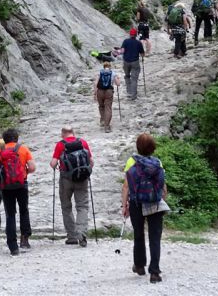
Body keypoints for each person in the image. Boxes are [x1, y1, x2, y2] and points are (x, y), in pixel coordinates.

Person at [121, 133, 167, 284]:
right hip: (154, 202)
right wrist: (162, 201)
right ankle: (154, 272)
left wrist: (124, 205)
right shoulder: (157, 163)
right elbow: (162, 185)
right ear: (153, 147)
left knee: (138, 234)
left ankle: (139, 266)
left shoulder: (131, 161)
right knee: (155, 237)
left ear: (138, 147)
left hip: (136, 203)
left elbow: (126, 185)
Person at [49, 126, 94, 247]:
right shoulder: (82, 142)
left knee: (66, 206)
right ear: (73, 132)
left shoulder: (60, 144)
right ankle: (82, 234)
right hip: (82, 179)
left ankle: (72, 236)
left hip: (66, 179)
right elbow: (91, 161)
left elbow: (53, 163)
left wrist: (55, 164)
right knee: (82, 206)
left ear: (63, 133)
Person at [0, 128, 36, 255]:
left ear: (4, 139)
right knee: (24, 210)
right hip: (21, 184)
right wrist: (24, 172)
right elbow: (33, 167)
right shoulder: (23, 149)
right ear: (17, 138)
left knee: (10, 214)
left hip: (6, 187)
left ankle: (13, 246)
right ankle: (25, 239)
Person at [94, 61, 121, 133]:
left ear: (103, 67)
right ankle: (107, 126)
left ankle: (102, 120)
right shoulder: (113, 73)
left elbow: (96, 83)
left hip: (100, 91)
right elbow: (118, 84)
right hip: (109, 91)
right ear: (110, 67)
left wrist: (94, 93)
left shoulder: (99, 73)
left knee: (101, 106)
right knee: (108, 108)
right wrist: (118, 79)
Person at [120, 27, 145, 100]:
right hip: (135, 62)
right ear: (136, 34)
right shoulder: (138, 43)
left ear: (130, 34)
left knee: (127, 76)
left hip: (126, 62)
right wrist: (143, 58)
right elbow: (142, 54)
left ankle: (129, 92)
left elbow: (122, 51)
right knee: (134, 79)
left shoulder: (125, 41)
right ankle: (133, 95)